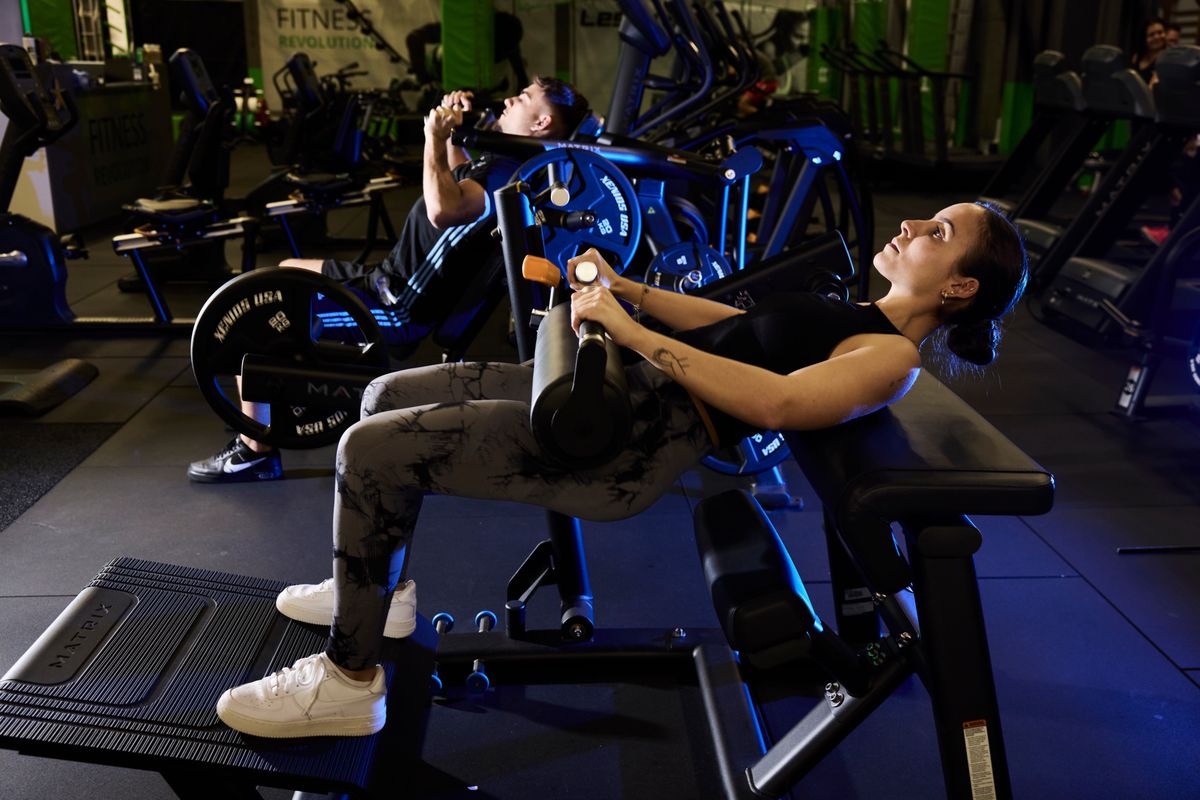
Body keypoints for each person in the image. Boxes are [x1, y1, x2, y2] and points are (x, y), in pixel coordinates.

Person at [212, 200, 1029, 738]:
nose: (912, 224)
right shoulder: (859, 311)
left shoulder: (891, 358)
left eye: (937, 232)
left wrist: (630, 332)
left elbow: (778, 404)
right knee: (386, 394)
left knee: (370, 450)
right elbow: (732, 326)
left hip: (623, 444)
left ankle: (349, 682)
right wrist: (624, 288)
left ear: (960, 286)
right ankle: (375, 596)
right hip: (617, 389)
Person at [187, 76, 589, 484]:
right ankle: (266, 403)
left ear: (541, 122)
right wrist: (452, 132)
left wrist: (432, 137)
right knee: (285, 270)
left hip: (396, 307)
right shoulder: (507, 165)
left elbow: (442, 209)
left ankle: (255, 450)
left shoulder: (505, 173)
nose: (509, 99)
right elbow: (455, 175)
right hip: (384, 280)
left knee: (257, 312)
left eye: (523, 98)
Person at [1135, 17, 1169, 84]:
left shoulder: (1168, 59)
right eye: (1151, 35)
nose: (1156, 37)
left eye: (1160, 32)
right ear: (1144, 38)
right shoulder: (1136, 57)